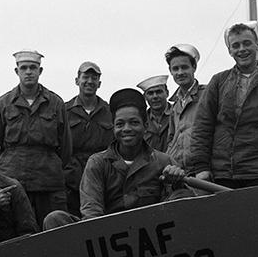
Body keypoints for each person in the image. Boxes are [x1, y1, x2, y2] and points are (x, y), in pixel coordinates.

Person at [43, 88, 190, 230]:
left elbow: (184, 205)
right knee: (55, 219)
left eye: (134, 122)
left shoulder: (163, 162)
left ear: (145, 126)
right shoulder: (97, 163)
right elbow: (92, 214)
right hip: (107, 238)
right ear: (113, 128)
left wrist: (176, 184)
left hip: (153, 237)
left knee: (183, 195)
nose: (126, 129)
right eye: (120, 124)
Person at [188, 20, 258, 188]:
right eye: (236, 45)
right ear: (230, 50)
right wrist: (201, 166)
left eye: (247, 43)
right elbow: (202, 126)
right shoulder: (218, 81)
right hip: (221, 175)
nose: (241, 49)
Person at [0, 49, 72, 226]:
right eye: (24, 68)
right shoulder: (2, 104)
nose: (29, 72)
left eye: (33, 67)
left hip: (49, 183)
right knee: (13, 232)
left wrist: (48, 164)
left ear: (40, 71)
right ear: (17, 72)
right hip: (13, 182)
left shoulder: (56, 103)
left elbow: (66, 147)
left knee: (53, 230)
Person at [63, 61, 114, 215]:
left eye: (94, 78)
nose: (90, 81)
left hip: (103, 179)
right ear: (77, 80)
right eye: (86, 77)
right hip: (71, 182)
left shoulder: (110, 111)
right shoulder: (64, 111)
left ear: (99, 83)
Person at [164, 43, 206, 168]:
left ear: (194, 67)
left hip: (201, 169)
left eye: (184, 67)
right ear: (170, 71)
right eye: (175, 69)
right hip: (179, 170)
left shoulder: (207, 94)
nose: (180, 72)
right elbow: (172, 139)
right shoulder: (175, 105)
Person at [137, 75, 172, 152]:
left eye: (159, 92)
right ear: (145, 97)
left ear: (167, 93)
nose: (155, 96)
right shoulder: (141, 120)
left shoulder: (178, 114)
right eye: (150, 93)